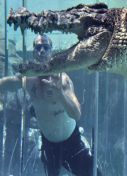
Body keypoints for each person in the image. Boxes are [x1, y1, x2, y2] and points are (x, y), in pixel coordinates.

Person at [0, 34, 101, 176]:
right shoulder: (28, 80)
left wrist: (60, 94)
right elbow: (8, 83)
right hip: (49, 146)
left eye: (45, 47)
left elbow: (76, 113)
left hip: (72, 143)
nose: (42, 51)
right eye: (38, 47)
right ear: (34, 51)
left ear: (51, 51)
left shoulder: (62, 80)